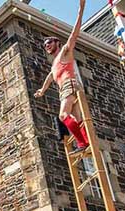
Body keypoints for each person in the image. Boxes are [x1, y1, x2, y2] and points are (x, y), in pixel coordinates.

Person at [33, 0, 90, 153]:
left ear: (57, 42)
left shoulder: (65, 51)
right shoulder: (54, 64)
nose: (47, 45)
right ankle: (85, 141)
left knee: (63, 115)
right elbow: (50, 78)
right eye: (45, 45)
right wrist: (42, 90)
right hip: (63, 89)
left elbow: (75, 34)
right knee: (78, 119)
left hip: (68, 85)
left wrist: (81, 10)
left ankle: (82, 143)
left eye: (49, 42)